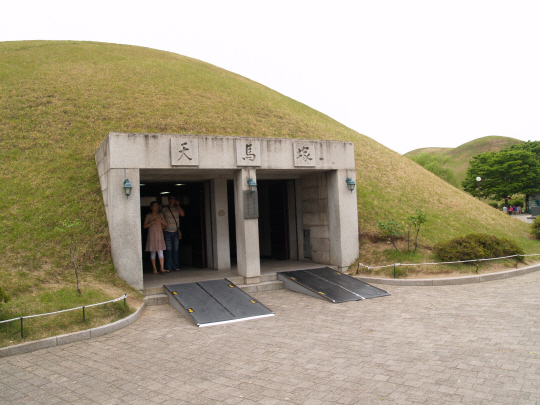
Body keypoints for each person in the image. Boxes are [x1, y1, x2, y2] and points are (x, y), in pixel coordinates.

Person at [143, 201, 168, 274]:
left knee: (160, 251)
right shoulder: (148, 215)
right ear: (151, 207)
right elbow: (144, 226)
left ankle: (162, 268)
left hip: (159, 235)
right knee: (153, 252)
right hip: (152, 235)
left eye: (157, 206)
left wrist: (160, 220)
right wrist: (152, 223)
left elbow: (165, 224)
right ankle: (154, 268)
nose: (156, 208)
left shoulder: (160, 215)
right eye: (154, 206)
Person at [163, 195, 185, 271]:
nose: (171, 200)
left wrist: (178, 205)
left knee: (175, 250)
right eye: (170, 199)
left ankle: (176, 266)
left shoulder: (177, 208)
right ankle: (168, 267)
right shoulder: (164, 209)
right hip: (167, 232)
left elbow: (182, 214)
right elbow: (161, 218)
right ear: (168, 200)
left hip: (175, 231)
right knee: (169, 250)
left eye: (173, 199)